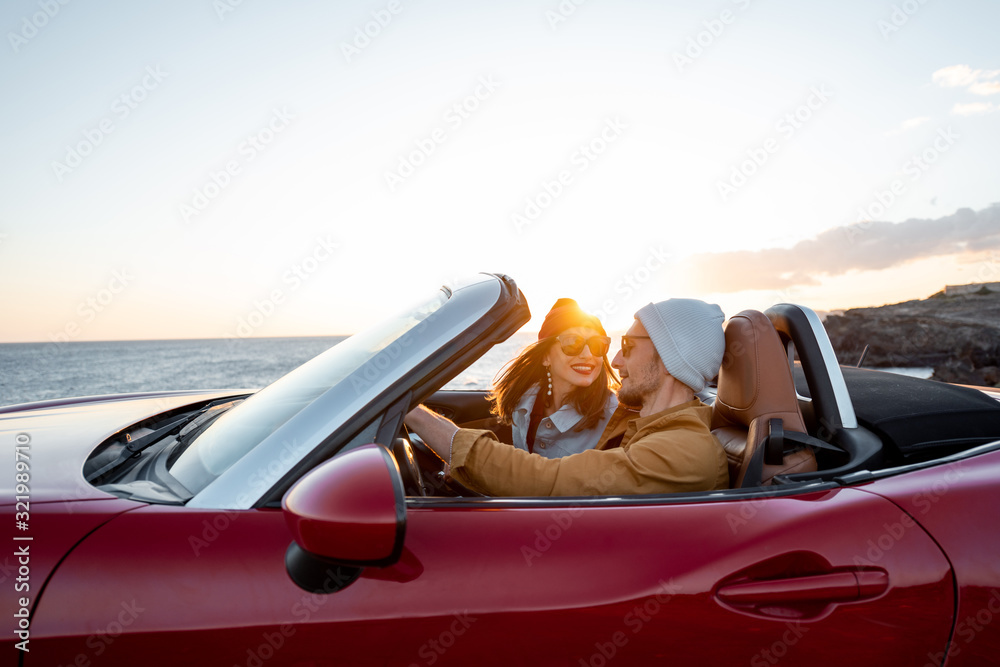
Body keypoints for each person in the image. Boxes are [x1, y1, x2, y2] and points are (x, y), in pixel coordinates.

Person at [405, 298, 730, 496]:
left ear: (670, 358)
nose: (613, 361)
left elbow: (547, 481)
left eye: (627, 348)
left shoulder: (682, 451)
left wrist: (413, 413)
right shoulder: (649, 430)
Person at [489, 298, 619, 458]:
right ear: (545, 357)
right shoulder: (522, 401)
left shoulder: (614, 419)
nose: (587, 355)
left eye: (597, 345)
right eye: (572, 343)